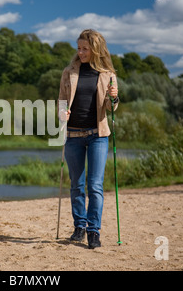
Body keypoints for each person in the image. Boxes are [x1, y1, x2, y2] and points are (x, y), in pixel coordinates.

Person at [58, 29, 118, 249]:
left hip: (97, 136)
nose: (80, 52)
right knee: (76, 185)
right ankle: (79, 227)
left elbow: (112, 108)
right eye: (79, 48)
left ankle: (94, 231)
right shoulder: (69, 71)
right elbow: (61, 101)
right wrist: (61, 114)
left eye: (85, 49)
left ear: (95, 49)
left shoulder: (108, 74)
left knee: (95, 185)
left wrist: (114, 98)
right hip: (72, 135)